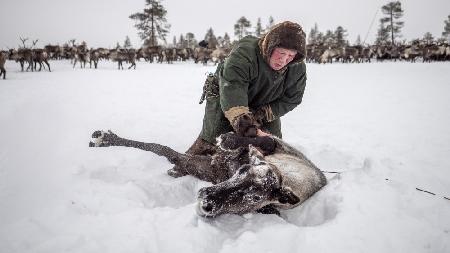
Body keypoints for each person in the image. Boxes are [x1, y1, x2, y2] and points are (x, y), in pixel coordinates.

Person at [168, 21, 307, 177]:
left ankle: (260, 172)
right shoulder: (245, 54)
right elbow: (233, 89)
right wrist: (249, 128)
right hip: (225, 95)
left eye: (290, 55)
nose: (284, 60)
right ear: (270, 46)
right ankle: (183, 165)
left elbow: (292, 98)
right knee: (214, 138)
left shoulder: (296, 67)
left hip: (264, 104)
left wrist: (263, 114)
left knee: (272, 146)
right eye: (281, 53)